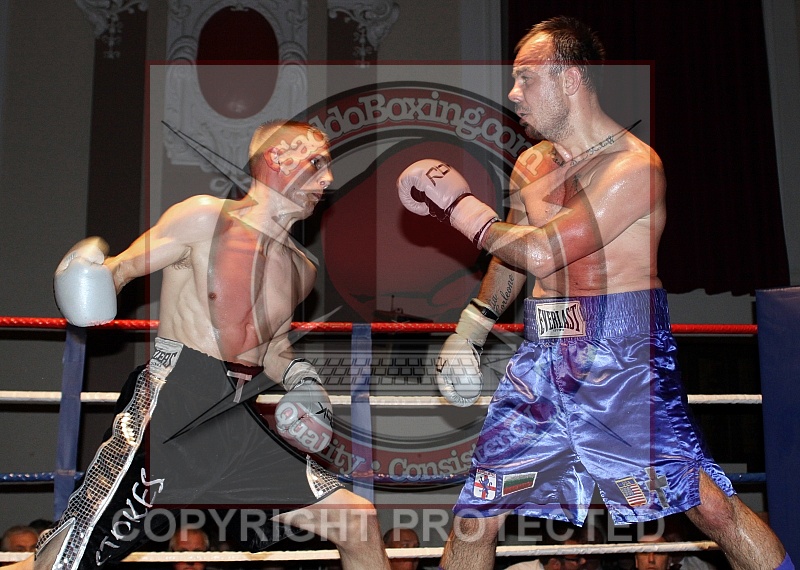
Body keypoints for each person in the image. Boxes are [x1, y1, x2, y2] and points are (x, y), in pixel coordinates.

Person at [396, 16, 793, 570]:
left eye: (525, 77)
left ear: (569, 78)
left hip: (622, 359)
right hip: (541, 360)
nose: (513, 93)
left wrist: (460, 209)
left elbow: (544, 252)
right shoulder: (531, 164)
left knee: (709, 508)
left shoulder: (633, 167)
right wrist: (472, 327)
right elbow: (515, 258)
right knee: (476, 514)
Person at [10, 120, 390, 570]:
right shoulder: (205, 218)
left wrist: (303, 378)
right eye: (317, 163)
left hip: (239, 417)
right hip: (174, 401)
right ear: (278, 157)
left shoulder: (302, 268)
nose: (328, 179)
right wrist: (90, 276)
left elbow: (273, 347)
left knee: (357, 521)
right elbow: (122, 269)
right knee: (70, 558)